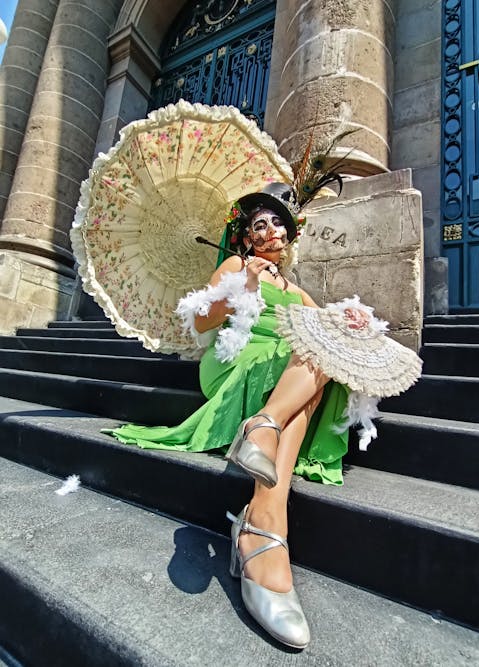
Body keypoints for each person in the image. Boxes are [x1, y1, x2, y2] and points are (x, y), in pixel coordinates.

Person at [106, 182, 422, 649]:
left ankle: (265, 438)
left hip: (286, 366)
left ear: (289, 236)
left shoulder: (297, 289)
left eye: (278, 223)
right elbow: (201, 322)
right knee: (302, 352)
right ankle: (264, 516)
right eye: (260, 224)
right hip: (239, 360)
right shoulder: (236, 266)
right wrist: (243, 287)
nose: (271, 230)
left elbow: (325, 331)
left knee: (319, 346)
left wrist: (352, 318)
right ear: (247, 236)